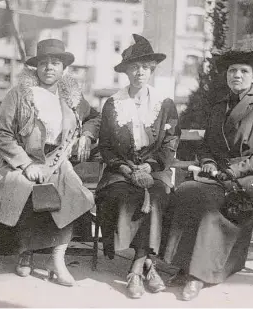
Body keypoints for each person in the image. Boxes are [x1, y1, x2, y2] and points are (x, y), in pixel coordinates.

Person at [0, 39, 101, 286]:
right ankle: (26, 253)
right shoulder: (19, 95)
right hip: (21, 159)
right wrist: (25, 164)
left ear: (63, 68)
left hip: (57, 160)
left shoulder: (72, 97)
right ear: (36, 68)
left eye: (55, 63)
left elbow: (94, 118)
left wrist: (86, 135)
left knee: (71, 189)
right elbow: (3, 134)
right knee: (25, 187)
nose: (49, 68)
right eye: (44, 63)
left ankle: (57, 258)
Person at [162, 50, 253, 301]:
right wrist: (206, 161)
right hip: (220, 176)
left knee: (209, 208)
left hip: (250, 181)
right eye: (232, 71)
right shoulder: (218, 107)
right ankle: (183, 266)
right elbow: (207, 146)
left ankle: (199, 275)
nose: (236, 75)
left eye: (243, 71)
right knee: (184, 193)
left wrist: (232, 171)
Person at [95, 34, 180, 299]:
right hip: (120, 170)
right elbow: (106, 146)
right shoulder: (113, 104)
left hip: (155, 170)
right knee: (122, 195)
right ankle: (148, 266)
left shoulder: (164, 104)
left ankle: (136, 268)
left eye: (145, 67)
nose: (139, 72)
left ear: (152, 70)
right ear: (126, 72)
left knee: (156, 198)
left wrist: (150, 167)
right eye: (134, 67)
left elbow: (170, 144)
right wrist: (124, 168)